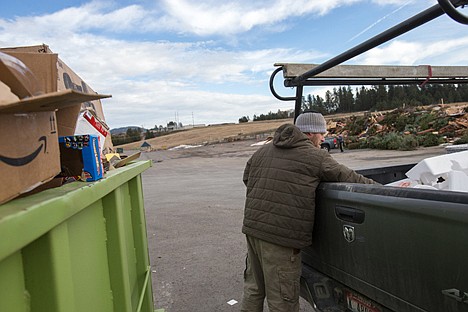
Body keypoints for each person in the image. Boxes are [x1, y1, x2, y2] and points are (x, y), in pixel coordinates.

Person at [240, 111, 377, 312]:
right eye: (322, 133)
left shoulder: (263, 151)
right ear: (311, 133)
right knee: (282, 299)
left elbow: (247, 179)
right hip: (281, 238)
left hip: (253, 230)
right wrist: (384, 188)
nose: (324, 138)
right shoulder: (315, 156)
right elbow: (350, 178)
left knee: (253, 289)